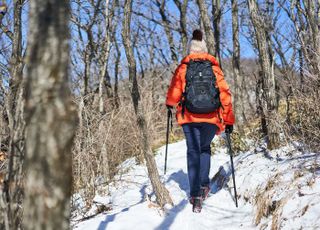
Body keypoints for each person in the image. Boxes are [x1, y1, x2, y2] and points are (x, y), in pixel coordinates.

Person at [165, 29, 235, 213]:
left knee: (193, 151)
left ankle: (195, 194)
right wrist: (229, 120)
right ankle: (204, 186)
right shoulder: (214, 68)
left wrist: (169, 104)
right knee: (204, 148)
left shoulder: (184, 68)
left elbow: (174, 95)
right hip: (211, 118)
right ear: (204, 49)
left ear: (190, 49)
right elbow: (225, 95)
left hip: (189, 117)